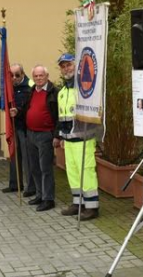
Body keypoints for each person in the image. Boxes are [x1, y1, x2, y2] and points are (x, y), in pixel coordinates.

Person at [55, 53, 100, 221]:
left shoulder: (84, 88)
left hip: (84, 139)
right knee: (72, 172)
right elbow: (61, 118)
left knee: (86, 172)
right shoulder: (62, 92)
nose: (66, 68)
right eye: (63, 66)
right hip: (68, 139)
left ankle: (92, 207)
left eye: (69, 65)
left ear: (76, 66)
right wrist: (61, 137)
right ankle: (78, 203)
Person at [0, 63, 35, 195]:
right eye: (11, 75)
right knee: (13, 155)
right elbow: (2, 103)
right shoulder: (9, 87)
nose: (14, 78)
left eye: (17, 75)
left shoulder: (30, 86)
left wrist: (19, 111)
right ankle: (14, 184)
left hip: (25, 127)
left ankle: (31, 187)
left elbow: (31, 107)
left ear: (22, 74)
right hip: (13, 126)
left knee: (27, 159)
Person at [23, 65, 58, 212]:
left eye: (41, 75)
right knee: (34, 167)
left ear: (47, 76)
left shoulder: (53, 92)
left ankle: (48, 199)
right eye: (36, 76)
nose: (38, 78)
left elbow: (58, 115)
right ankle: (39, 194)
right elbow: (26, 109)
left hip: (45, 135)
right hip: (31, 134)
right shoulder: (31, 91)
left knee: (45, 168)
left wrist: (57, 135)